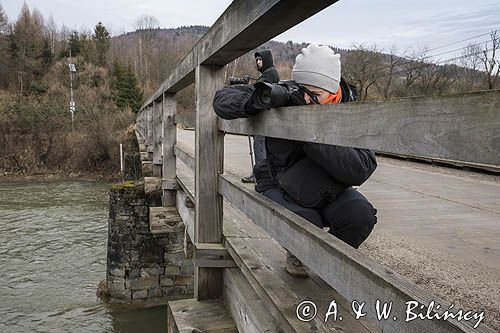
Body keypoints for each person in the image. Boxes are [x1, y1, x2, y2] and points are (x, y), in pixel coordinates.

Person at [214, 44, 377, 278]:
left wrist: (309, 135)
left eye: (316, 95)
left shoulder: (350, 108)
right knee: (304, 224)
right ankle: (299, 255)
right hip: (281, 184)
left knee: (360, 215)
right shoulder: (289, 94)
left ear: (334, 92)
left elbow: (361, 168)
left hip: (332, 187)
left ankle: (327, 264)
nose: (308, 101)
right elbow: (221, 99)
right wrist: (254, 103)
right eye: (304, 92)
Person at [241, 50, 280, 183]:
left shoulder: (270, 73)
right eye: (257, 60)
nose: (258, 62)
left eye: (260, 60)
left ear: (267, 60)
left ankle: (260, 176)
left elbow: (257, 92)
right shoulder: (269, 73)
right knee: (263, 146)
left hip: (265, 117)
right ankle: (260, 173)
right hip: (266, 116)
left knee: (259, 145)